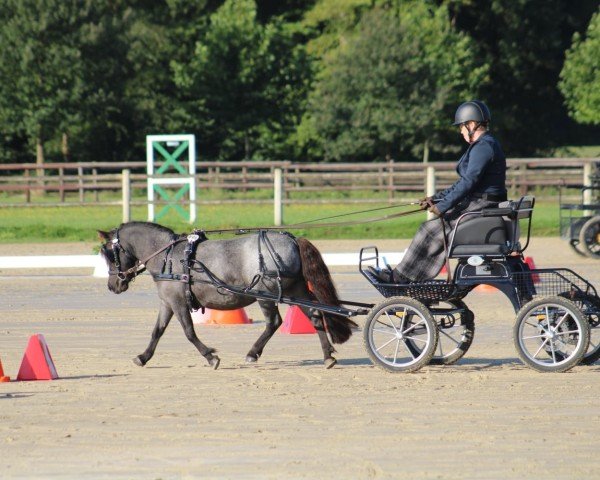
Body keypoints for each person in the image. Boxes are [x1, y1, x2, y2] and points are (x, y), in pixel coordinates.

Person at [370, 100, 507, 284]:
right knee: (430, 229)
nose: (461, 131)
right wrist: (434, 199)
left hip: (482, 204)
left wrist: (442, 206)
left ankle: (401, 278)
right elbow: (463, 183)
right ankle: (407, 277)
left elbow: (468, 182)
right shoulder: (486, 144)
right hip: (478, 202)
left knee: (429, 231)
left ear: (472, 124)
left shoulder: (483, 146)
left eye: (462, 127)